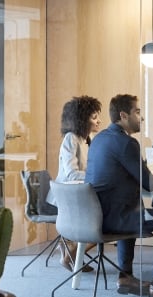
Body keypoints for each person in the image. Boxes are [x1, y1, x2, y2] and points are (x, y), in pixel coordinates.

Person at [85, 94, 153, 297]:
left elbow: (129, 176)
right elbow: (149, 186)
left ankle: (125, 277)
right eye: (138, 112)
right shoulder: (126, 143)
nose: (141, 118)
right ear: (123, 115)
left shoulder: (101, 139)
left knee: (136, 206)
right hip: (115, 218)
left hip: (98, 214)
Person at [55, 95, 102, 272]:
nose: (99, 121)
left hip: (79, 193)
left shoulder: (86, 140)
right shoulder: (71, 138)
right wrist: (96, 175)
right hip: (67, 196)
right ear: (82, 119)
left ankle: (72, 251)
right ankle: (72, 252)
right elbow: (72, 174)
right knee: (103, 218)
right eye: (94, 117)